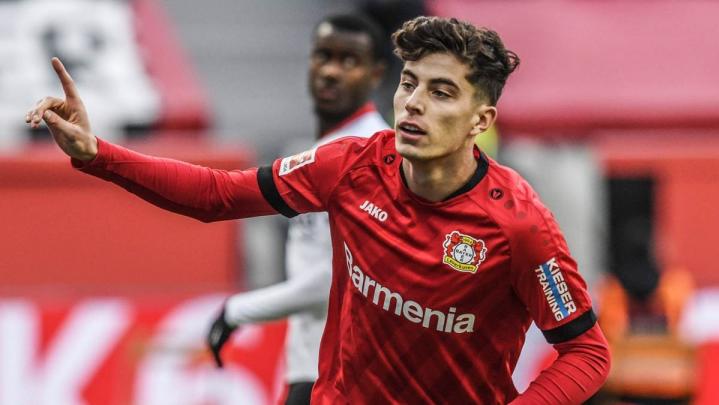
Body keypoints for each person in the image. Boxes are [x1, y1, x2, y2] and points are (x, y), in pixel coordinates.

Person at [27, 16, 610, 404]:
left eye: (441, 92)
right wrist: (98, 154)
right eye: (409, 83)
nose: (413, 104)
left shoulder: (518, 224)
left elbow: (586, 352)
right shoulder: (350, 165)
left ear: (481, 121)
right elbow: (218, 195)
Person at [206, 13, 389, 405]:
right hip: (314, 363)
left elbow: (341, 278)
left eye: (349, 61)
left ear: (376, 73)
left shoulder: (372, 153)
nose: (331, 71)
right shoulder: (325, 150)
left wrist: (239, 309)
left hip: (341, 370)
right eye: (323, 56)